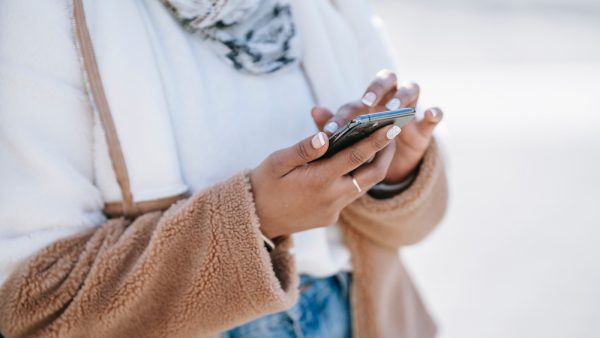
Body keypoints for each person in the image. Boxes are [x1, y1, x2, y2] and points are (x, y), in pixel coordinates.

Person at [0, 0, 448, 337]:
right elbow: (35, 306)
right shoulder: (37, 15)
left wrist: (393, 176)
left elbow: (416, 227)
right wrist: (258, 218)